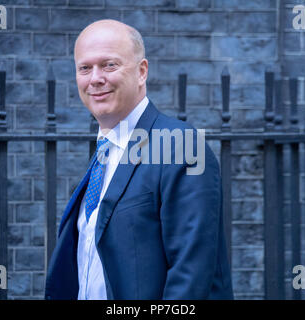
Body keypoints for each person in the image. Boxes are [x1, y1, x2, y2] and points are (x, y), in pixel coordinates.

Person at [44, 19, 233, 300]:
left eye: (109, 65)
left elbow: (190, 275)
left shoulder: (181, 145)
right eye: (85, 68)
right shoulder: (105, 152)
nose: (95, 78)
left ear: (141, 71)